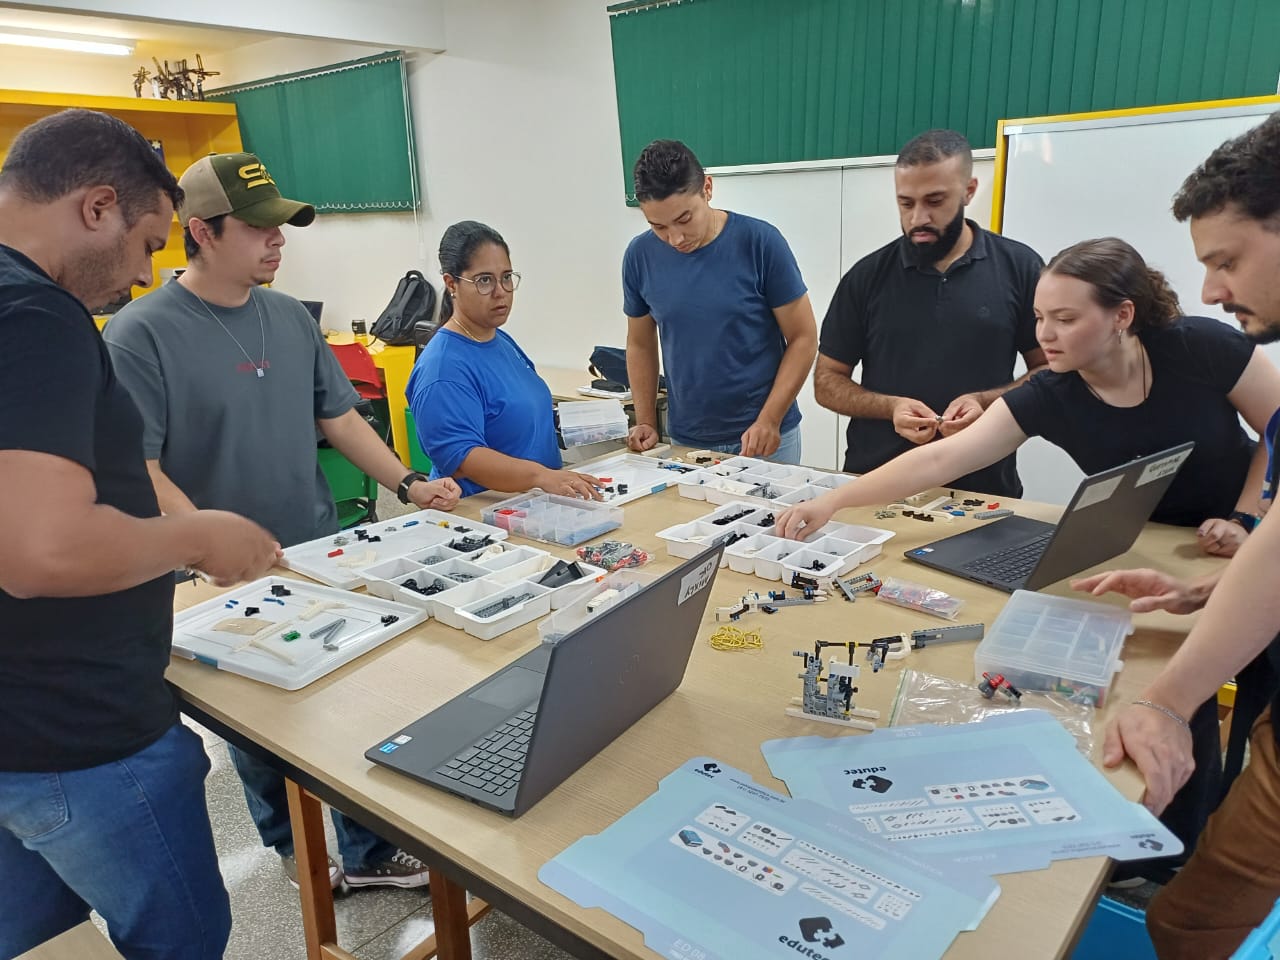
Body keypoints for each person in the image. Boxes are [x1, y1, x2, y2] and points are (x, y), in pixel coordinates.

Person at [777, 235, 1280, 868]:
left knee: (1257, 698)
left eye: (1065, 318)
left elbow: (1276, 428)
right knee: (1170, 675)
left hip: (1248, 538)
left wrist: (1248, 515)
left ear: (1121, 315)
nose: (1045, 335)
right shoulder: (1052, 392)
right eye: (1040, 317)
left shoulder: (1199, 346)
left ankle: (1227, 827)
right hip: (1151, 543)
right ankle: (1170, 851)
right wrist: (834, 500)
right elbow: (940, 459)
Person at [104, 151, 459, 891]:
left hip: (317, 551)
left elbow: (339, 418)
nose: (278, 240)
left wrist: (408, 482)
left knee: (352, 698)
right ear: (202, 231)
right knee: (261, 729)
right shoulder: (140, 334)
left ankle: (368, 852)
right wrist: (206, 543)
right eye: (258, 227)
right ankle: (294, 851)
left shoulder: (291, 318)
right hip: (219, 576)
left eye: (281, 226)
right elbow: (141, 467)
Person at [0, 110, 280, 960]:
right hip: (79, 735)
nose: (141, 273)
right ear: (97, 207)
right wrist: (196, 537)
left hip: (19, 728)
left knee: (42, 945)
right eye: (148, 243)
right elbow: (41, 550)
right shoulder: (36, 315)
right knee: (180, 940)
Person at [1074, 111, 1280, 960]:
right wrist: (1210, 591)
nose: (1212, 289)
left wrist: (1167, 699)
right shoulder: (1055, 388)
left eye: (1227, 261)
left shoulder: (1200, 349)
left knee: (1191, 925)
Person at [815, 129, 1048, 497]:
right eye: (905, 203)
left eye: (935, 201)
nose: (918, 218)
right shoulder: (867, 277)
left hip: (983, 489)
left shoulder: (1020, 268)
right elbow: (826, 382)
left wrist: (985, 402)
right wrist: (890, 407)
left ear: (969, 191)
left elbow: (1049, 370)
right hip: (875, 485)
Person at [622, 139, 818, 463]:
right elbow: (640, 344)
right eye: (658, 226)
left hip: (766, 437)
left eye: (685, 219)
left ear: (708, 189)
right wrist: (645, 420)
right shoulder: (639, 256)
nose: (675, 238)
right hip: (687, 438)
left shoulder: (760, 243)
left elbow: (804, 337)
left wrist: (770, 418)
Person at [407, 220, 603, 499]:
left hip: (536, 504)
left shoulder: (499, 340)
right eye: (484, 280)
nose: (501, 292)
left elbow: (520, 412)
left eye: (507, 277)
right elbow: (461, 457)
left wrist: (601, 423)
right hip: (484, 512)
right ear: (452, 284)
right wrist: (540, 476)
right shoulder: (442, 369)